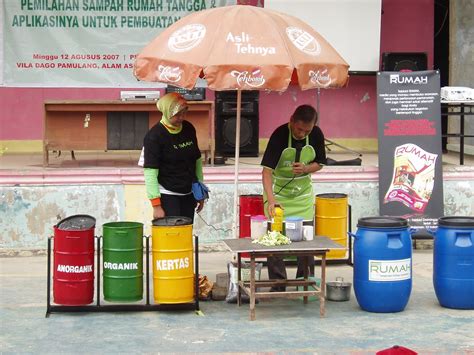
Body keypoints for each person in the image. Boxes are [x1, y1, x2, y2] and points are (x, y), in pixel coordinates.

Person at [261, 104, 327, 291]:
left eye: (307, 130)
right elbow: (266, 172)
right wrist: (271, 200)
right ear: (291, 121)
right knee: (275, 239)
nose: (302, 134)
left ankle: (305, 283)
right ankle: (278, 284)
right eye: (299, 129)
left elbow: (321, 163)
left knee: (306, 243)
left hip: (302, 196)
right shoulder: (279, 135)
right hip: (279, 194)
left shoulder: (316, 135)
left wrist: (306, 169)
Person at [142, 92, 205, 222]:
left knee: (186, 232)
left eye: (184, 113)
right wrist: (156, 205)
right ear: (166, 112)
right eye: (177, 114)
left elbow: (197, 161)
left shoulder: (188, 128)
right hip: (168, 195)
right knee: (173, 235)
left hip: (189, 193)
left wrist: (200, 192)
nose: (182, 117)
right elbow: (150, 172)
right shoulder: (154, 136)